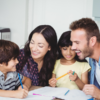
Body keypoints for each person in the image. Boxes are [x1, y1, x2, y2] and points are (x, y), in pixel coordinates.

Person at [70, 18, 100, 99]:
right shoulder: (91, 58)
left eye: (77, 42)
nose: (72, 47)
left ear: (92, 41)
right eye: (72, 42)